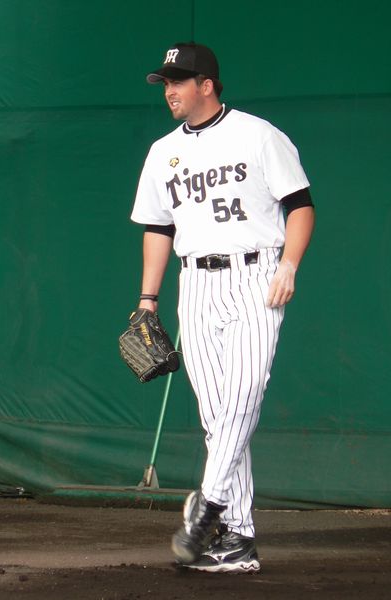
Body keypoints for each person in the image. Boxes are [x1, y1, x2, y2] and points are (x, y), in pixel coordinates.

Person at [130, 42, 315, 573]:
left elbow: (300, 206)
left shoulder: (258, 135)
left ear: (206, 85)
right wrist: (147, 300)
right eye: (165, 83)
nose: (169, 91)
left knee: (241, 398)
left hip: (256, 277)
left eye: (178, 81)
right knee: (217, 417)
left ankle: (208, 505)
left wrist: (289, 264)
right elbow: (158, 228)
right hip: (195, 285)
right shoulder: (163, 151)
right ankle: (238, 538)